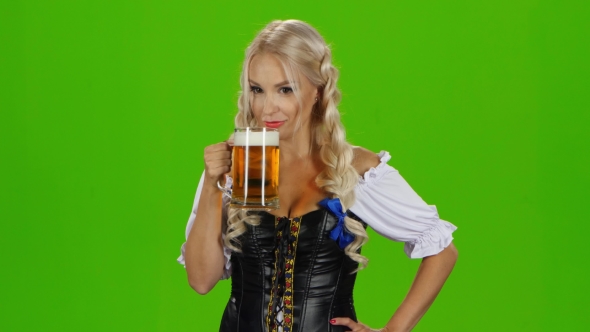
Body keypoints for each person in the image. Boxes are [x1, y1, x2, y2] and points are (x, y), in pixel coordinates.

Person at [178, 19, 458, 332]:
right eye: (257, 90)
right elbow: (201, 281)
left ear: (317, 89)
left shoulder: (350, 168)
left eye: (285, 89)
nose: (268, 108)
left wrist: (393, 330)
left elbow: (441, 249)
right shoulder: (245, 164)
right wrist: (213, 185)